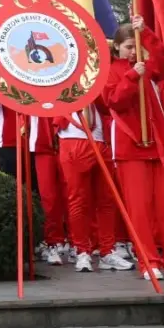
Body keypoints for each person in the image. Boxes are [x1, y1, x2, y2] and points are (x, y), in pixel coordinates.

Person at [104, 18, 164, 281]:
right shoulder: (111, 70)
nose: (133, 52)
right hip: (130, 148)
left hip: (159, 145)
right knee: (139, 210)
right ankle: (149, 261)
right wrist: (132, 76)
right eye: (128, 46)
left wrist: (145, 32)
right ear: (117, 47)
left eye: (136, 47)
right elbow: (113, 100)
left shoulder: (149, 65)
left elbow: (162, 57)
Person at [56, 102, 128, 272]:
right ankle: (82, 252)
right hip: (72, 136)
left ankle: (107, 251)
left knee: (106, 200)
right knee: (78, 200)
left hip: (101, 138)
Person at [29, 114, 67, 266]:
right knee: (48, 197)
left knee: (70, 195)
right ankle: (52, 242)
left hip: (68, 137)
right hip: (43, 143)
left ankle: (78, 245)